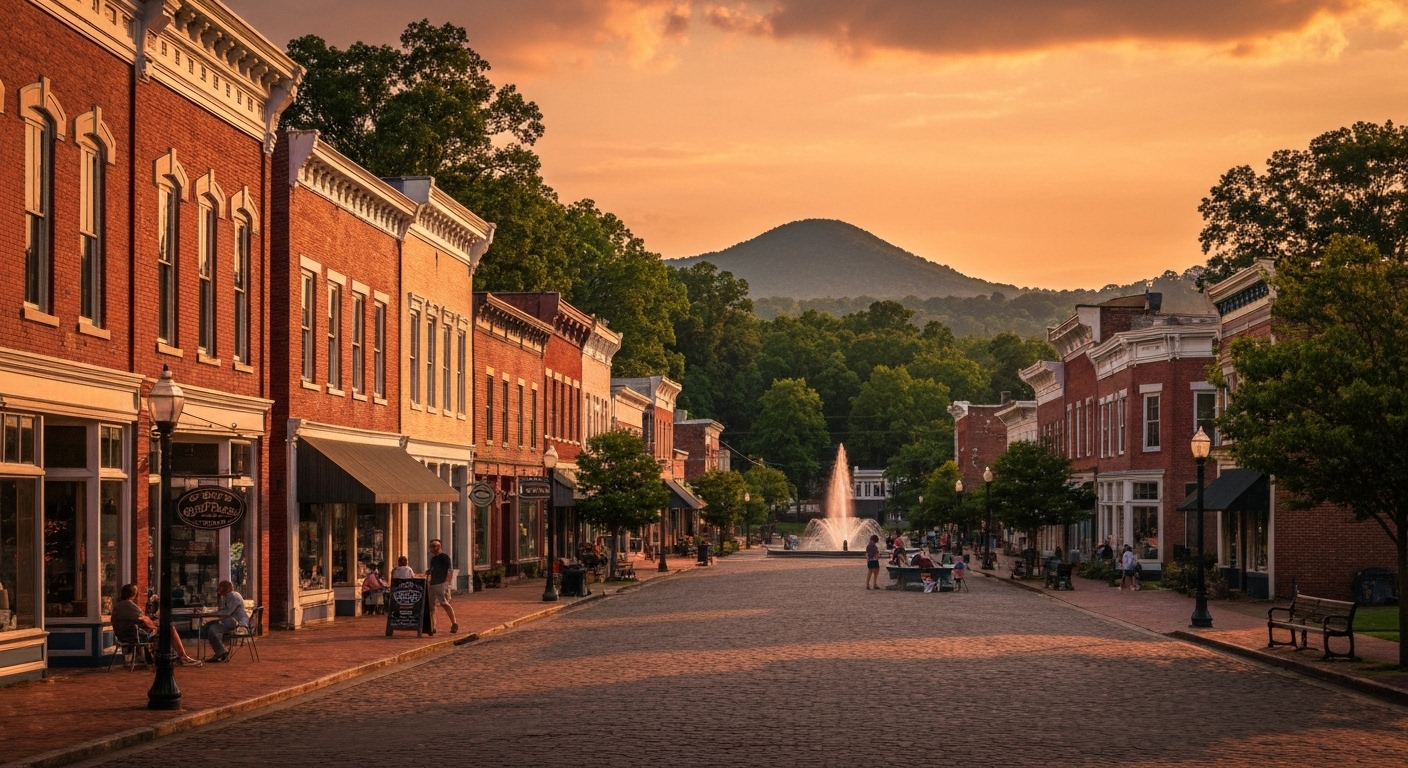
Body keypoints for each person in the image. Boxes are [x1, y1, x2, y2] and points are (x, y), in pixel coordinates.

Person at [112, 583, 200, 666]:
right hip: (135, 637)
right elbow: (146, 622)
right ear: (134, 594)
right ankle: (183, 657)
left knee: (159, 630)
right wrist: (153, 624)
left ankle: (170, 656)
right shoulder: (131, 606)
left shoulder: (117, 607)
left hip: (122, 637)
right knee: (169, 628)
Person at [204, 580, 248, 664]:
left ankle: (220, 652)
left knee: (213, 626)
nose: (219, 592)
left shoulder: (233, 596)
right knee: (212, 629)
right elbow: (222, 610)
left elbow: (226, 612)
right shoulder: (227, 597)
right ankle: (221, 652)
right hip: (229, 622)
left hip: (238, 624)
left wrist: (209, 614)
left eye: (220, 589)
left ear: (224, 589)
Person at [426, 539, 458, 634]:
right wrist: (429, 572)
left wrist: (447, 582)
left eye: (437, 546)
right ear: (430, 548)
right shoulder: (432, 559)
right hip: (432, 583)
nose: (435, 548)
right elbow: (433, 570)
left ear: (441, 547)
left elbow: (449, 570)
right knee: (431, 606)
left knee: (444, 603)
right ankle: (433, 627)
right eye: (433, 546)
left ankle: (454, 623)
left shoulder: (444, 557)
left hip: (441, 583)